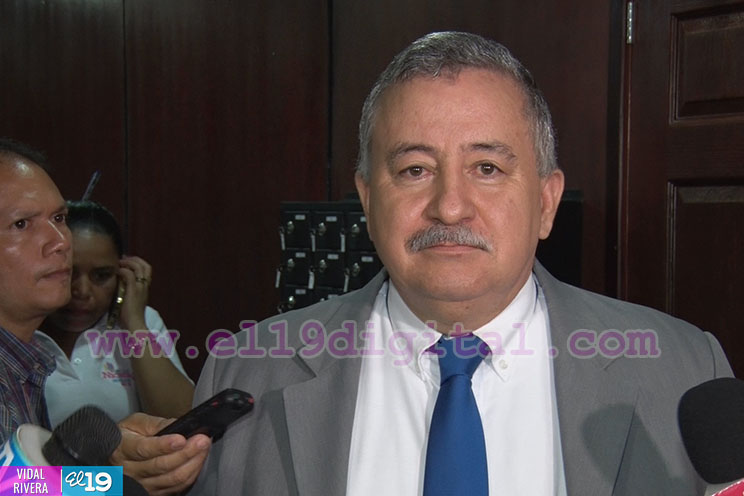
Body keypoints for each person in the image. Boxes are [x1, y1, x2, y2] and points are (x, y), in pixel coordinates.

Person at [190, 32, 732, 495]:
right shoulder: (247, 369)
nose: (450, 207)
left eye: (487, 168)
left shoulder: (683, 372)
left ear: (546, 202)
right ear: (368, 201)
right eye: (415, 170)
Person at [0, 138, 209, 495]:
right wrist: (111, 484)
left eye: (59, 218)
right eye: (22, 224)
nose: (60, 241)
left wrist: (108, 470)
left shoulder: (25, 364)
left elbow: (22, 486)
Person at [37, 200, 194, 426]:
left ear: (122, 275)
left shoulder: (142, 321)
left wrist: (134, 323)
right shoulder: (21, 326)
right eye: (68, 273)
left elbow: (182, 420)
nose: (82, 291)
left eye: (101, 276)